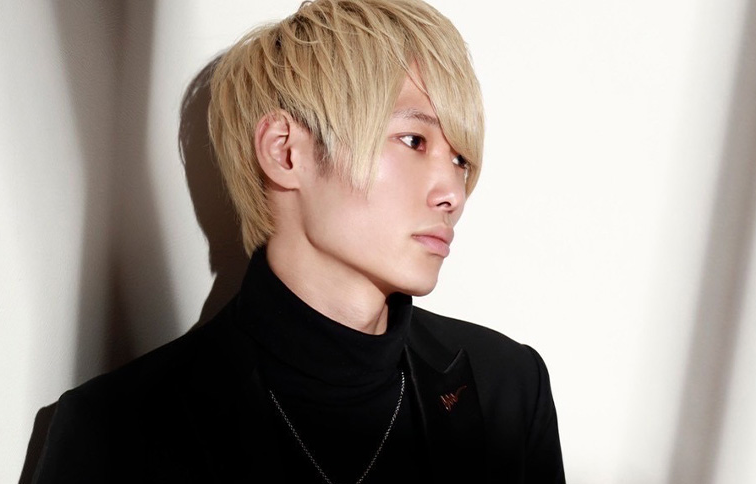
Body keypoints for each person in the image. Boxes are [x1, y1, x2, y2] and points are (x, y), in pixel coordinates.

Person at [30, 0, 565, 482]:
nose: (453, 192)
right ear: (285, 152)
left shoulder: (507, 388)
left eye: (460, 158)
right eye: (413, 139)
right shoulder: (116, 431)